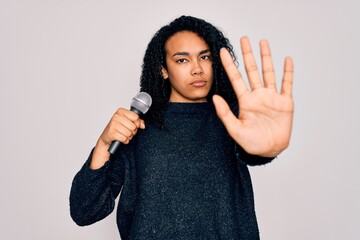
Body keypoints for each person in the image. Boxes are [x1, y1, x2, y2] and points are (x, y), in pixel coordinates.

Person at [70, 15, 294, 240]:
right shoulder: (137, 127)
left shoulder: (234, 118)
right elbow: (84, 211)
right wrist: (103, 144)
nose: (197, 69)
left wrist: (266, 150)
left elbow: (252, 147)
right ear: (163, 69)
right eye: (182, 60)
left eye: (204, 57)